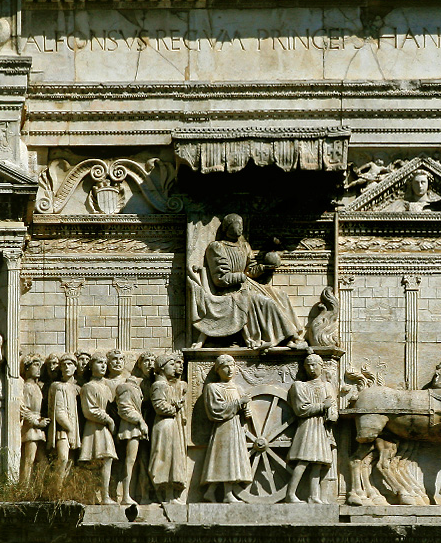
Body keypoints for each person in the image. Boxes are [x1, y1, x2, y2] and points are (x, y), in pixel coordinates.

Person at [187, 213, 306, 350]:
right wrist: (241, 277)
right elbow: (220, 279)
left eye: (242, 225)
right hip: (231, 292)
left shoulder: (244, 246)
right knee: (267, 302)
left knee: (280, 295)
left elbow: (250, 270)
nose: (240, 228)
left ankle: (295, 336)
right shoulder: (217, 247)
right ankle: (288, 338)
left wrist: (263, 268)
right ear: (227, 227)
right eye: (237, 224)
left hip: (247, 285)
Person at [285, 353, 338, 504]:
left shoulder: (327, 386)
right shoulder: (299, 386)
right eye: (308, 365)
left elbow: (333, 407)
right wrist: (322, 406)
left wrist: (332, 414)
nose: (311, 368)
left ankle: (314, 496)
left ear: (321, 366)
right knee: (303, 461)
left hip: (322, 427)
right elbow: (300, 409)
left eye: (314, 365)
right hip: (307, 427)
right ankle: (290, 494)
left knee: (318, 463)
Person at [200, 354, 252, 503]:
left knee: (230, 459)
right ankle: (227, 494)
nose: (230, 370)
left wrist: (246, 412)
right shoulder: (213, 388)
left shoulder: (238, 388)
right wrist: (238, 403)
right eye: (225, 367)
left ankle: (211, 492)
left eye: (232, 366)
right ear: (218, 370)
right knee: (226, 459)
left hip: (236, 427)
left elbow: (243, 409)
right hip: (223, 428)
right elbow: (215, 409)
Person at [149, 350, 189, 504]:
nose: (174, 368)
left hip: (170, 425)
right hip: (164, 425)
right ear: (162, 367)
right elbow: (159, 406)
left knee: (172, 459)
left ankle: (171, 494)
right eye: (171, 365)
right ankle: (165, 494)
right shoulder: (159, 385)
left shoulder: (165, 385)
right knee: (165, 459)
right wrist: (174, 407)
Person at [79, 352, 118, 504]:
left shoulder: (106, 388)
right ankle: (93, 495)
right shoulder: (88, 387)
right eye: (99, 362)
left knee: (107, 459)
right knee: (93, 461)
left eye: (104, 363)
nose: (103, 366)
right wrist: (108, 419)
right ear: (91, 366)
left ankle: (105, 495)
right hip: (94, 428)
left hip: (104, 428)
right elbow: (89, 410)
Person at [112, 350, 150, 506]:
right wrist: (140, 421)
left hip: (136, 429)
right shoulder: (126, 387)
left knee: (134, 461)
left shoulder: (136, 387)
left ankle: (131, 493)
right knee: (129, 461)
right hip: (130, 429)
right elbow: (125, 408)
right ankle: (125, 495)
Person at [47, 353, 81, 489]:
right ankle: (57, 489)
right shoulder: (58, 386)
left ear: (75, 367)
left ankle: (66, 489)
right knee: (63, 459)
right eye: (64, 365)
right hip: (62, 430)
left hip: (75, 430)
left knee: (71, 461)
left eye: (70, 364)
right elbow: (59, 412)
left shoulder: (77, 388)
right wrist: (70, 430)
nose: (67, 367)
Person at [19, 353, 50, 485]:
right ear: (27, 368)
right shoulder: (27, 387)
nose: (38, 369)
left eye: (40, 366)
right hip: (31, 428)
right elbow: (23, 409)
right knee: (29, 460)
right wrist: (36, 422)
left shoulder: (37, 387)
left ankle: (37, 487)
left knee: (42, 461)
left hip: (38, 427)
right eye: (35, 365)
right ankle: (24, 487)